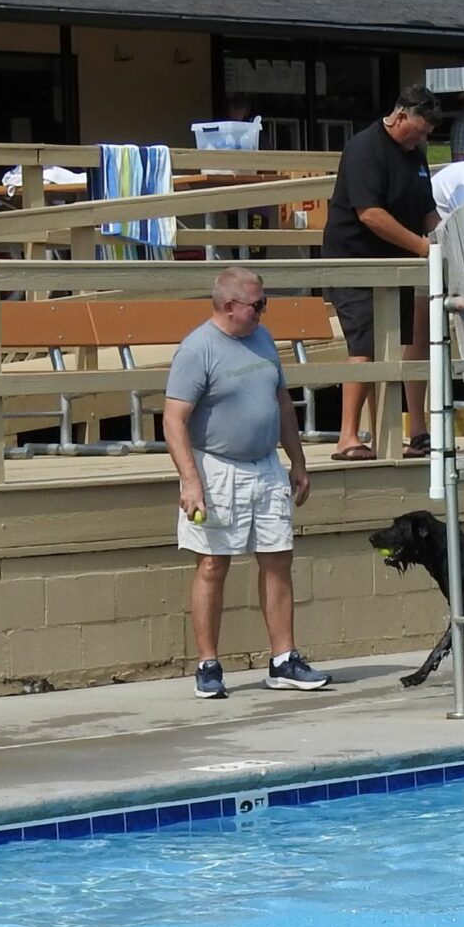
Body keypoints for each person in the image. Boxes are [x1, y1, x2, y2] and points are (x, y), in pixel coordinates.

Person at [164, 267, 330, 699]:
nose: (262, 310)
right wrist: (190, 480)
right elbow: (174, 419)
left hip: (266, 465)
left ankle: (283, 659)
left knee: (278, 558)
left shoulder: (262, 337)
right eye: (257, 304)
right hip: (217, 466)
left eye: (264, 303)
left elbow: (281, 401)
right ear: (229, 306)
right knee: (213, 564)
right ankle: (207, 664)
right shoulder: (197, 349)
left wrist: (297, 460)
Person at [323, 85, 439, 462]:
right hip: (355, 262)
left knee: (394, 347)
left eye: (428, 133)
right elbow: (369, 213)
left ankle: (386, 436)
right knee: (365, 345)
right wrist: (423, 247)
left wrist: (449, 241)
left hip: (397, 267)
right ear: (400, 116)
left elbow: (428, 214)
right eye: (420, 130)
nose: (423, 138)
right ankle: (347, 437)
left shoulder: (416, 156)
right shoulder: (363, 149)